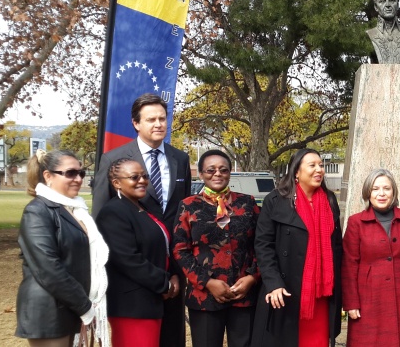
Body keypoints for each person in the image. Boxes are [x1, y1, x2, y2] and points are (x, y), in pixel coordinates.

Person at [92, 92, 191, 347]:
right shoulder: (113, 159)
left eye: (162, 118)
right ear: (136, 124)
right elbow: (101, 219)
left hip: (173, 271)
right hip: (133, 280)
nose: (158, 124)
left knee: (172, 338)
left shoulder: (180, 159)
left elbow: (183, 218)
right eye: (151, 119)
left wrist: (177, 273)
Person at [16, 150, 109, 346]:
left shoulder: (76, 210)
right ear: (48, 176)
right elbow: (48, 268)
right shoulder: (37, 211)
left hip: (70, 307)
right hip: (50, 312)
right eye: (70, 173)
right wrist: (84, 307)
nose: (78, 179)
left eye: (81, 173)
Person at [252, 149, 342, 347]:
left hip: (321, 294)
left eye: (321, 165)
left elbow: (337, 246)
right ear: (296, 172)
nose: (319, 170)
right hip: (285, 292)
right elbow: (263, 246)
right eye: (312, 165)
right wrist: (273, 283)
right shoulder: (276, 201)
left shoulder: (329, 201)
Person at [173, 150, 260, 347]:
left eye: (223, 170)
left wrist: (252, 277)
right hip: (204, 296)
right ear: (201, 174)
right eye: (211, 170)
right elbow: (180, 249)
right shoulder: (188, 206)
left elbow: (261, 244)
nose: (217, 174)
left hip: (243, 294)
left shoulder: (247, 203)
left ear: (230, 173)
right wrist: (207, 282)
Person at [96, 158, 176, 347]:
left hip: (149, 300)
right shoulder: (113, 212)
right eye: (134, 177)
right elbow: (127, 259)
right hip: (131, 305)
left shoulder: (140, 207)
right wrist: (165, 283)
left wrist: (172, 276)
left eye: (144, 176)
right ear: (117, 183)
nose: (142, 181)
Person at [342, 169, 400, 347]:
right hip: (368, 297)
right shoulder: (356, 222)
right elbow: (349, 264)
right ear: (367, 192)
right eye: (375, 188)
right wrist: (351, 302)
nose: (381, 193)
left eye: (386, 188)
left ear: (393, 191)